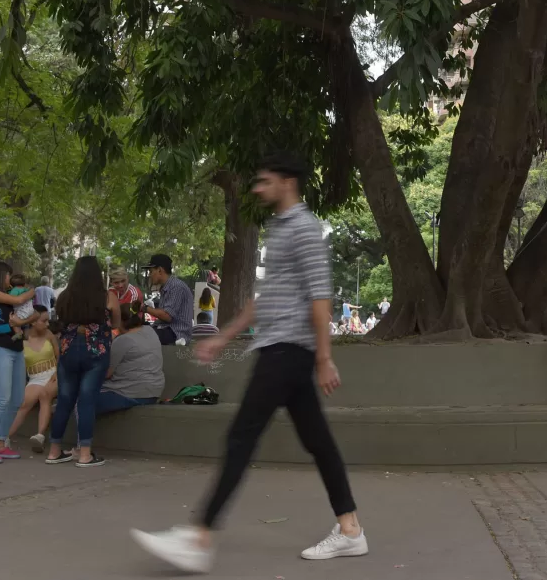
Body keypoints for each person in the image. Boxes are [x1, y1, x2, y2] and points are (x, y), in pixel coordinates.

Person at [132, 152, 367, 572]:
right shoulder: (280, 229)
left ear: (287, 182)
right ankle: (350, 530)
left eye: (264, 181)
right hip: (281, 350)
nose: (258, 188)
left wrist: (324, 358)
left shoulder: (306, 230)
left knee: (241, 437)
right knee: (318, 442)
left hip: (286, 351)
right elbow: (266, 299)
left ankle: (199, 536)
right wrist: (223, 335)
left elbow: (320, 297)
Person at [46, 255, 122, 467]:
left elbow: (59, 322)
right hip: (95, 352)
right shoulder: (107, 297)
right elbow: (116, 322)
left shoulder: (64, 297)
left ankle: (54, 451)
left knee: (64, 400)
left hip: (68, 350)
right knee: (87, 399)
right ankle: (85, 454)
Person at [0, 260, 40, 464]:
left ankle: (0, 442)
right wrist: (32, 291)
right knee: (3, 398)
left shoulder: (10, 296)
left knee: (17, 398)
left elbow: (36, 312)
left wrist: (22, 322)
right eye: (7, 275)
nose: (9, 280)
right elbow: (23, 298)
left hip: (16, 349)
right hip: (0, 350)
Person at [98, 309, 166, 414]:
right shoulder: (149, 330)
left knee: (84, 401)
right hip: (153, 392)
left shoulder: (122, 340)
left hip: (129, 393)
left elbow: (106, 373)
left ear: (120, 321)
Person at [12, 306, 60, 452]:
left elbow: (60, 356)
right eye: (44, 321)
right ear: (32, 321)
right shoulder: (21, 338)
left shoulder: (49, 334)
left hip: (53, 373)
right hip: (35, 377)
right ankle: (3, 438)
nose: (47, 324)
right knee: (25, 403)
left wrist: (57, 373)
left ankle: (40, 436)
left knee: (45, 395)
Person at [141, 254, 195, 346]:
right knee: (137, 330)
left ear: (160, 270)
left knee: (139, 336)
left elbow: (167, 316)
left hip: (176, 333)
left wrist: (145, 308)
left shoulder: (176, 287)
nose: (150, 275)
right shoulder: (167, 287)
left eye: (151, 271)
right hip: (167, 330)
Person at [6, 273, 35, 339]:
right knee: (26, 325)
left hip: (22, 311)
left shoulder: (14, 290)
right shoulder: (26, 290)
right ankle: (27, 336)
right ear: (24, 284)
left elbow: (11, 299)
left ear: (11, 285)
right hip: (30, 310)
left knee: (13, 320)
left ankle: (18, 332)